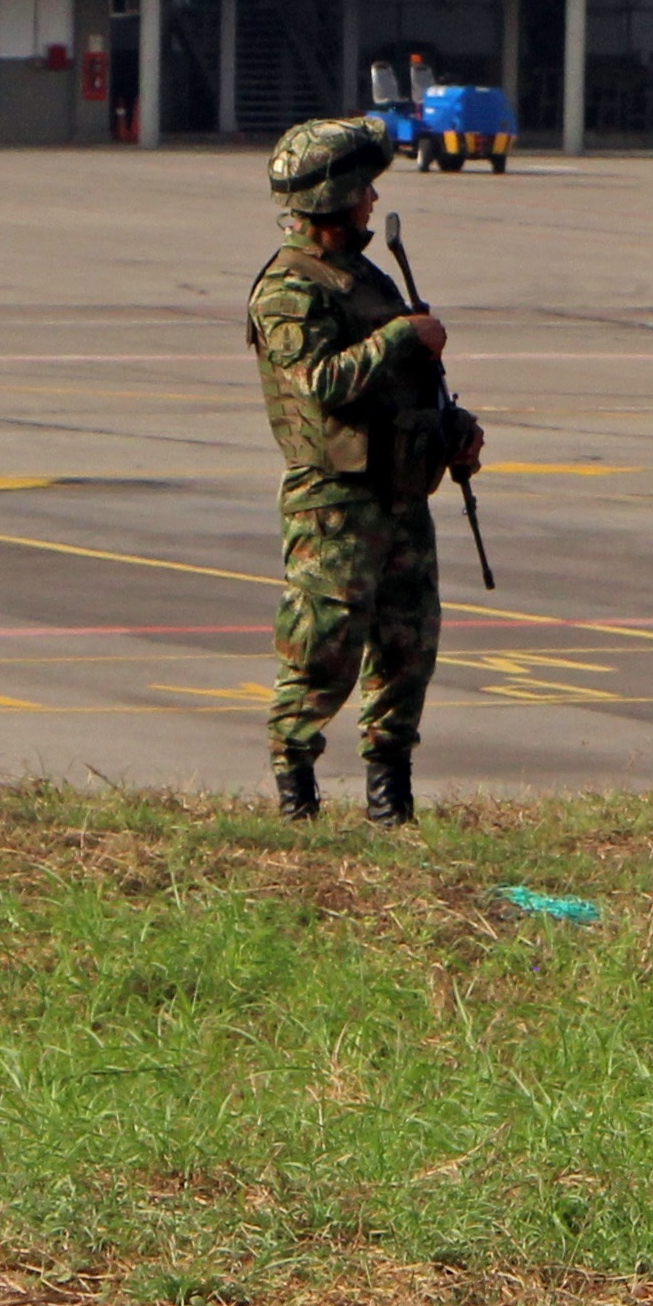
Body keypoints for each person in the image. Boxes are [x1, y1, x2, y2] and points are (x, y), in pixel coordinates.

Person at [251, 116, 473, 823]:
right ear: (335, 196)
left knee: (408, 644)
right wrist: (402, 335)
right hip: (335, 502)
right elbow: (319, 381)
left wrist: (454, 431)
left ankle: (390, 795)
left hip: (400, 490)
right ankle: (297, 791)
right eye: (364, 190)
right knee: (324, 643)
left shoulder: (364, 275)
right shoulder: (290, 288)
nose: (373, 202)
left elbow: (406, 386)